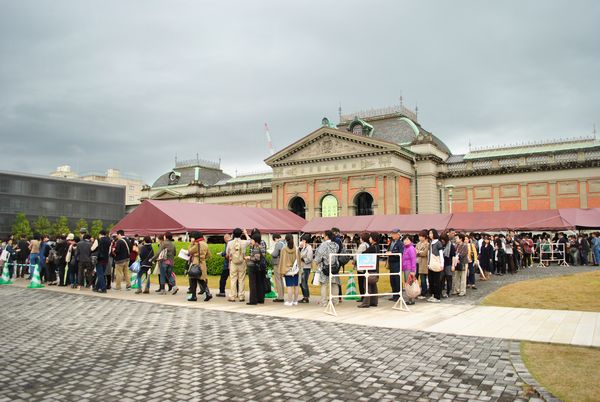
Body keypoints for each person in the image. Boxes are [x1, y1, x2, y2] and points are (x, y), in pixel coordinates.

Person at [314, 230, 340, 306]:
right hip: (334, 266)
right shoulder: (336, 245)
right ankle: (335, 301)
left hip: (325, 266)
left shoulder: (323, 245)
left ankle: (324, 302)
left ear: (327, 236)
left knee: (324, 284)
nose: (323, 237)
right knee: (334, 284)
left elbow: (319, 256)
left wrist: (316, 261)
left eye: (324, 236)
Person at [226, 228, 252, 302]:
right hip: (242, 262)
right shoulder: (244, 242)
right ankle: (241, 296)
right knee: (241, 279)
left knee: (233, 279)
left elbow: (227, 253)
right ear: (241, 234)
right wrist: (246, 233)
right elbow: (250, 241)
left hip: (233, 262)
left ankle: (232, 296)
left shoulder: (229, 243)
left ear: (233, 234)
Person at [188, 231, 212, 301]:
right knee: (201, 279)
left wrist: (191, 244)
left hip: (195, 262)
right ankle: (208, 293)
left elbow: (190, 251)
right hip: (202, 263)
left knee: (192, 279)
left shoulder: (197, 244)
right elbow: (208, 255)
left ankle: (193, 296)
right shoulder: (205, 244)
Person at [358, 233, 381, 308]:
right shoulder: (377, 247)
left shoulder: (372, 247)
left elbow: (363, 253)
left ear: (373, 238)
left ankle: (365, 303)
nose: (369, 239)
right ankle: (374, 301)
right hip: (376, 268)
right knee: (373, 285)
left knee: (367, 286)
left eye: (371, 237)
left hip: (370, 269)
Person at [278, 234, 299, 306]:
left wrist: (281, 271)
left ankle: (289, 301)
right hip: (295, 270)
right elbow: (299, 260)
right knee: (296, 285)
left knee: (289, 286)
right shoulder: (296, 248)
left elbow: (282, 261)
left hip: (287, 270)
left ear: (286, 240)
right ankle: (295, 301)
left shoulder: (284, 249)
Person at [245, 232, 266, 305]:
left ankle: (253, 300)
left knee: (252, 283)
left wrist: (249, 257)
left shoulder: (256, 247)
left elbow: (257, 258)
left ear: (255, 240)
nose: (251, 241)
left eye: (252, 239)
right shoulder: (261, 246)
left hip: (253, 267)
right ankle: (260, 299)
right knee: (259, 283)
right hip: (259, 268)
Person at [386, 228, 404, 302]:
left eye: (394, 233)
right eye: (392, 233)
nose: (392, 235)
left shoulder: (400, 243)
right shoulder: (392, 242)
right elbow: (389, 250)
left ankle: (398, 295)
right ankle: (394, 295)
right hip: (391, 262)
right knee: (392, 279)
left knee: (397, 279)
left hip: (397, 263)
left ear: (398, 234)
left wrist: (392, 254)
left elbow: (401, 253)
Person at [427, 229, 444, 303]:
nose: (430, 235)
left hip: (436, 263)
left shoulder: (438, 243)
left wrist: (441, 264)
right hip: (430, 264)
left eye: (431, 233)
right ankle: (433, 295)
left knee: (436, 281)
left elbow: (441, 254)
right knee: (431, 280)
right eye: (429, 233)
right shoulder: (430, 243)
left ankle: (437, 297)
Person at [270, 234, 286, 302]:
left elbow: (275, 254)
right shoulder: (284, 243)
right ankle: (282, 295)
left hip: (277, 263)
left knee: (278, 280)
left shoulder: (278, 244)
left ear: (276, 238)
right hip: (282, 262)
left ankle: (280, 297)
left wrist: (270, 253)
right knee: (281, 280)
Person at [401, 235, 417, 305]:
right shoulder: (405, 248)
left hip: (410, 268)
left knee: (410, 284)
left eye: (407, 239)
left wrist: (413, 270)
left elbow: (413, 260)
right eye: (404, 239)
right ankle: (410, 298)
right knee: (408, 284)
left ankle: (411, 299)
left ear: (411, 240)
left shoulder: (411, 248)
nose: (405, 241)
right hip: (406, 268)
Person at [298, 233, 314, 304]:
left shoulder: (309, 247)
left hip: (306, 267)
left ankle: (306, 297)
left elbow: (309, 258)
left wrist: (302, 259)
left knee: (304, 282)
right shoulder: (303, 247)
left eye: (303, 240)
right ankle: (305, 296)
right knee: (301, 282)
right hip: (302, 267)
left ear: (305, 240)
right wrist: (300, 248)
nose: (302, 241)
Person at [355, 232, 370, 302]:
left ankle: (363, 296)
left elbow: (357, 255)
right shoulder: (368, 245)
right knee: (365, 282)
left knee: (361, 282)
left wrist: (354, 260)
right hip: (367, 265)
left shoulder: (362, 245)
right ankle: (365, 296)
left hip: (361, 266)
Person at [415, 230, 429, 299]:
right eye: (419, 236)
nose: (420, 238)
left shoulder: (427, 244)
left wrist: (418, 252)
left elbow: (424, 253)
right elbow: (415, 251)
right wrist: (419, 252)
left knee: (423, 278)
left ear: (424, 237)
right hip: (417, 262)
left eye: (421, 236)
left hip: (424, 263)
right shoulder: (418, 243)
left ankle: (424, 293)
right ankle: (416, 291)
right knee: (416, 277)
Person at [441, 233, 455, 298]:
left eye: (443, 240)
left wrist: (453, 265)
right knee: (441, 278)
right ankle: (440, 291)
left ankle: (448, 292)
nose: (442, 241)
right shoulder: (440, 245)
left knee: (449, 278)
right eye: (441, 239)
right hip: (442, 264)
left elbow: (453, 256)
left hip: (448, 264)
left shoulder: (451, 246)